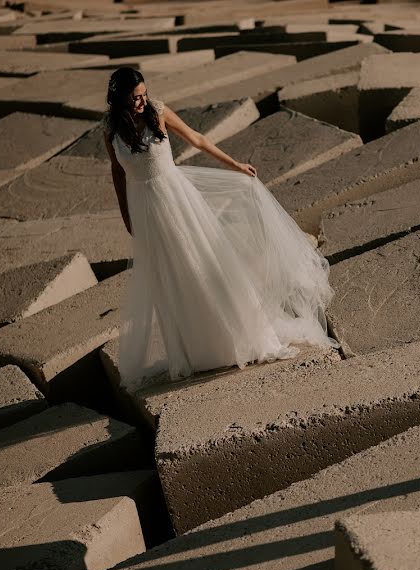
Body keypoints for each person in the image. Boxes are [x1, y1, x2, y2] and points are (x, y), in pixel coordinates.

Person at [102, 67, 337, 390]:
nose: (142, 101)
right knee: (172, 278)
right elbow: (117, 174)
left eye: (143, 94)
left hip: (177, 200)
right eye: (134, 98)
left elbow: (197, 139)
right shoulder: (111, 129)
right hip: (146, 211)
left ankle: (241, 337)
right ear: (119, 101)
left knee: (205, 266)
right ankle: (199, 350)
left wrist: (235, 165)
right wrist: (127, 216)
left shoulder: (158, 110)